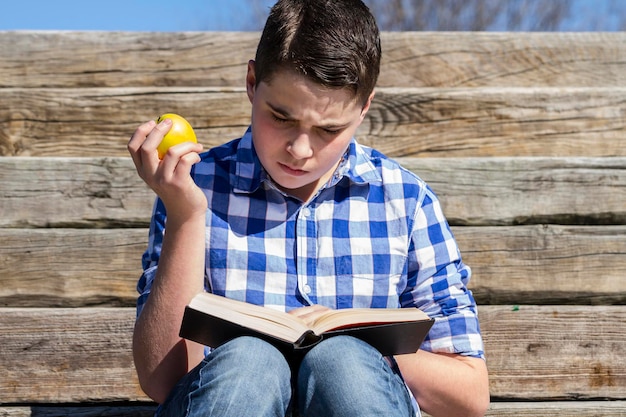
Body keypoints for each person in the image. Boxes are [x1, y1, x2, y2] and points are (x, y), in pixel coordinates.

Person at [127, 0, 489, 416]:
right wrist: (187, 216)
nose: (300, 150)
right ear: (251, 82)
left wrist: (360, 341)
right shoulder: (192, 187)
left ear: (365, 107)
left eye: (329, 129)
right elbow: (161, 379)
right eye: (281, 117)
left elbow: (469, 396)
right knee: (249, 360)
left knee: (343, 363)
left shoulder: (404, 200)